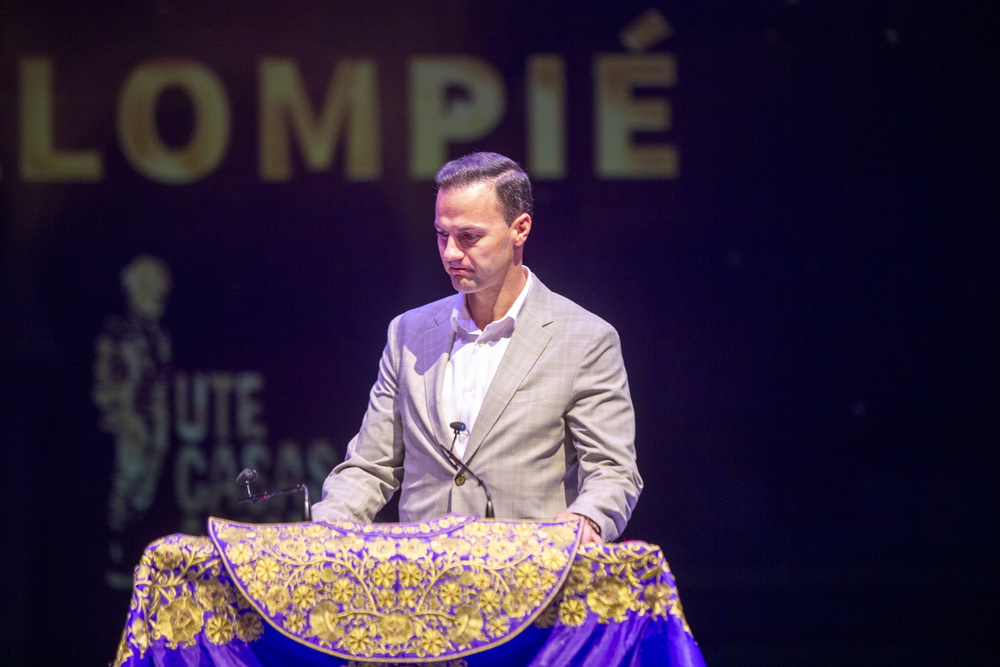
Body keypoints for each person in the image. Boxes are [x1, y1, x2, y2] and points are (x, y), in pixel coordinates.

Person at [312, 152, 641, 544]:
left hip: (529, 580)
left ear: (520, 229)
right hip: (422, 584)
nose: (451, 253)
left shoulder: (584, 339)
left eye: (469, 236)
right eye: (441, 234)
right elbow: (370, 467)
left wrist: (586, 521)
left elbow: (613, 470)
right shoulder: (408, 333)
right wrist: (322, 536)